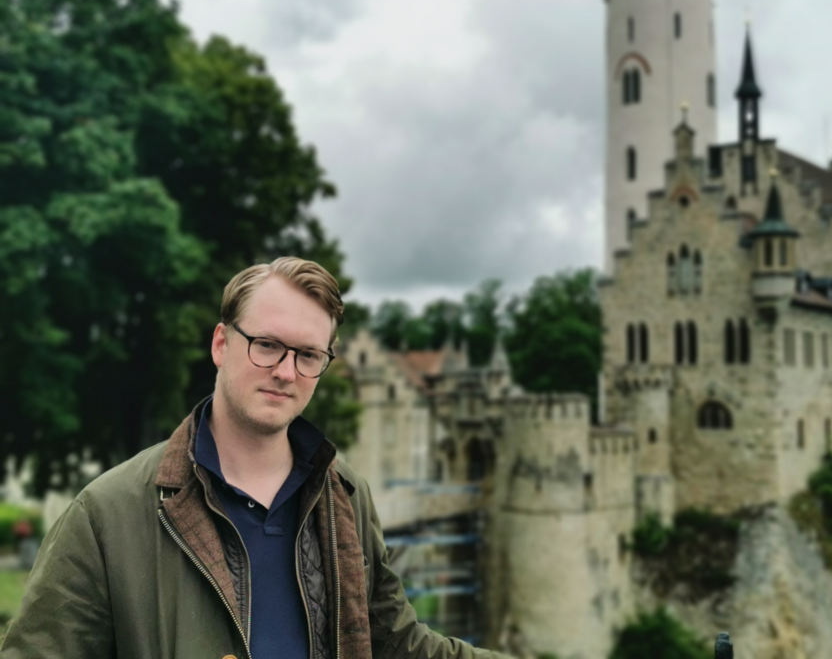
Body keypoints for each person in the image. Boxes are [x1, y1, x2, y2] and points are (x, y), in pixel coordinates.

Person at [1, 257, 509, 659]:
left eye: (308, 355)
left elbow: (396, 645)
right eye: (266, 345)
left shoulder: (344, 494)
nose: (286, 372)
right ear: (221, 344)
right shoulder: (106, 514)